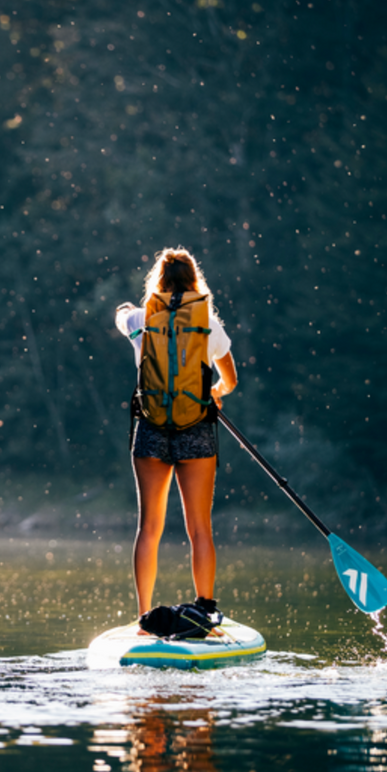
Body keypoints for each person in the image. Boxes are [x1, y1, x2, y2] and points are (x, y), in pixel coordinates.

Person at [115, 247, 238, 632]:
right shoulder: (207, 324)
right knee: (199, 526)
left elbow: (120, 316)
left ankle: (143, 617)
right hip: (196, 430)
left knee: (148, 526)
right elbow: (231, 380)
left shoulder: (140, 318)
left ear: (159, 281)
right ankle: (205, 611)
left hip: (150, 430)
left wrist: (125, 308)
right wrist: (215, 391)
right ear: (193, 281)